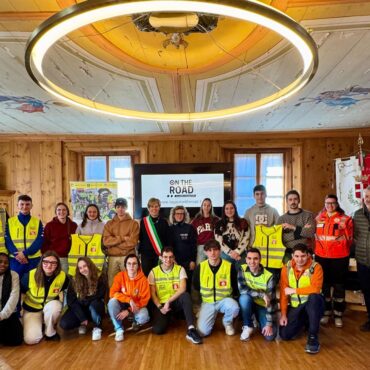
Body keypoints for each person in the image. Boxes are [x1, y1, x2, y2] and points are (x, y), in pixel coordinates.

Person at [149, 247, 202, 344]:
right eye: (165, 257)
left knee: (185, 295)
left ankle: (191, 329)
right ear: (161, 258)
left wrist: (169, 301)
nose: (168, 260)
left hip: (176, 302)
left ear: (174, 258)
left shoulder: (180, 269)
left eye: (170, 257)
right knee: (158, 330)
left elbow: (183, 288)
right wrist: (160, 307)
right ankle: (169, 317)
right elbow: (152, 294)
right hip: (162, 304)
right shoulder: (153, 272)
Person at [314, 194, 353, 328]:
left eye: (332, 203)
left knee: (339, 287)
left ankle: (338, 314)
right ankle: (326, 312)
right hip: (321, 257)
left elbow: (349, 240)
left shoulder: (345, 219)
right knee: (324, 286)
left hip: (339, 258)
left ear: (337, 204)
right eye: (327, 203)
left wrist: (339, 249)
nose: (329, 205)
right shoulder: (318, 218)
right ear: (324, 204)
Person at [279, 244, 324, 354]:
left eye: (303, 256)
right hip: (297, 308)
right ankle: (305, 322)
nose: (300, 259)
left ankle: (313, 338)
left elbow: (316, 289)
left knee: (314, 296)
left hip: (313, 306)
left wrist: (294, 291)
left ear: (308, 255)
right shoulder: (286, 268)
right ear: (292, 256)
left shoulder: (316, 267)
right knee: (284, 335)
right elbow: (283, 293)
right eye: (297, 256)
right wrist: (284, 314)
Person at [193, 239, 239, 337]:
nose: (212, 253)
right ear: (205, 252)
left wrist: (233, 299)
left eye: (215, 250)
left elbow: (235, 286)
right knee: (202, 332)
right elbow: (196, 286)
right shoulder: (200, 267)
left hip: (224, 301)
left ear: (220, 251)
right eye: (209, 250)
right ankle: (206, 314)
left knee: (234, 307)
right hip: (208, 302)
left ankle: (227, 323)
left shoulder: (229, 266)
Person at [22, 251, 68, 344]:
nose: (49, 265)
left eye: (53, 263)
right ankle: (40, 323)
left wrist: (62, 309)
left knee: (55, 307)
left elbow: (64, 292)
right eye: (46, 262)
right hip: (32, 309)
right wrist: (21, 313)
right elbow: (21, 293)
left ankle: (49, 332)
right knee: (31, 340)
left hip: (49, 306)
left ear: (57, 265)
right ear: (41, 262)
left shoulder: (62, 276)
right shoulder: (30, 275)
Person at [60, 257, 106, 341]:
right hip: (80, 308)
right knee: (64, 323)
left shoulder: (100, 277)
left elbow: (100, 295)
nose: (83, 269)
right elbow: (71, 301)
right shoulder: (74, 280)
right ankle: (82, 324)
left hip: (94, 306)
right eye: (80, 268)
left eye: (85, 266)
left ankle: (97, 327)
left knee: (96, 303)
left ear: (90, 265)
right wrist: (82, 317)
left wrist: (84, 300)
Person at [108, 254, 150, 342]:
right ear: (125, 265)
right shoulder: (120, 276)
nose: (131, 266)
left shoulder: (143, 280)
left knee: (144, 316)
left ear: (138, 266)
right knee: (112, 302)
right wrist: (129, 300)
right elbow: (112, 293)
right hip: (122, 303)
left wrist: (129, 310)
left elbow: (144, 301)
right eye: (129, 263)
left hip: (136, 306)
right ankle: (119, 329)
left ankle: (134, 320)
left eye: (134, 264)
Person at [238, 248, 277, 341]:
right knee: (244, 298)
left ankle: (257, 318)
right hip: (249, 303)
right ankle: (248, 325)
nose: (252, 261)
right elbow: (242, 289)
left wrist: (269, 324)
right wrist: (261, 294)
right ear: (246, 259)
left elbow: (270, 301)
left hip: (263, 306)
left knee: (270, 336)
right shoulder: (242, 269)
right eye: (249, 258)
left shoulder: (269, 276)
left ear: (260, 259)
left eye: (255, 258)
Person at [5, 194, 44, 281]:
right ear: (17, 206)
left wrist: (25, 253)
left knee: (33, 285)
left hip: (33, 260)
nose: (24, 207)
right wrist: (18, 255)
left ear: (31, 206)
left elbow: (39, 241)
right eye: (22, 204)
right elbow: (8, 241)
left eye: (27, 204)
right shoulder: (10, 222)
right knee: (14, 285)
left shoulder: (37, 222)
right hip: (15, 260)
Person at [103, 198, 140, 286]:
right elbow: (106, 241)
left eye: (123, 207)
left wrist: (114, 244)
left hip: (127, 257)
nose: (120, 209)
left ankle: (128, 300)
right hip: (112, 258)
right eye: (118, 207)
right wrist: (122, 238)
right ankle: (113, 300)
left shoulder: (133, 223)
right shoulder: (109, 224)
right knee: (112, 283)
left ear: (126, 208)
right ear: (115, 208)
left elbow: (133, 242)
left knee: (129, 282)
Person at [277, 190, 315, 262]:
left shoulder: (308, 215)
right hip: (287, 253)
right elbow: (279, 238)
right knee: (288, 273)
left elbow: (310, 233)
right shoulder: (281, 219)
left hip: (305, 252)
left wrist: (293, 227)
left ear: (299, 200)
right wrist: (302, 231)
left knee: (306, 273)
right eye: (290, 199)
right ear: (287, 201)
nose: (293, 202)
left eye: (295, 199)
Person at [42, 202, 77, 273]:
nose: (61, 212)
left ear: (67, 212)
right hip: (54, 258)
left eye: (64, 210)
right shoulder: (50, 225)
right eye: (59, 210)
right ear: (56, 212)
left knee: (67, 279)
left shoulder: (73, 225)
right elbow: (45, 242)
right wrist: (47, 258)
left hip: (70, 258)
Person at [138, 198, 170, 276]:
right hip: (146, 255)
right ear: (148, 208)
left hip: (159, 255)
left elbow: (167, 239)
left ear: (159, 207)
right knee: (147, 276)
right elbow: (141, 238)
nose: (154, 209)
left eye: (156, 206)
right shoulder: (143, 221)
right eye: (151, 206)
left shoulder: (164, 222)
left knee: (160, 276)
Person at [353, 186, 370, 331]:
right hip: (363, 259)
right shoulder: (358, 215)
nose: (368, 199)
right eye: (366, 196)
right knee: (367, 291)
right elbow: (355, 235)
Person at [169, 205, 197, 292]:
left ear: (185, 215)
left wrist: (193, 261)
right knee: (175, 285)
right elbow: (168, 246)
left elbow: (193, 246)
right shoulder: (170, 229)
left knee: (187, 286)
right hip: (174, 262)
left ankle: (187, 303)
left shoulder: (190, 228)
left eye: (181, 213)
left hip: (188, 263)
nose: (179, 215)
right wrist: (172, 260)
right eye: (177, 213)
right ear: (173, 215)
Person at [214, 200, 249, 267]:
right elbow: (219, 241)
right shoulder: (219, 224)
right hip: (225, 253)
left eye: (231, 208)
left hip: (240, 253)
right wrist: (231, 253)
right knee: (226, 274)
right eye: (227, 209)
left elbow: (246, 238)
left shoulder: (243, 222)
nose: (229, 210)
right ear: (224, 210)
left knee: (241, 273)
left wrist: (237, 252)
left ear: (235, 209)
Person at [0, 253, 23, 346]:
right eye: (0, 261)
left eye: (6, 262)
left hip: (7, 312)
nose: (3, 264)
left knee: (16, 340)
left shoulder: (14, 275)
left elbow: (14, 296)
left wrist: (2, 315)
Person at [191, 198, 220, 264]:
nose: (206, 207)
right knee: (200, 266)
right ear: (202, 206)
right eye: (204, 205)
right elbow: (192, 235)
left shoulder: (216, 220)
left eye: (208, 205)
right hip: (201, 246)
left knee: (214, 264)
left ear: (211, 207)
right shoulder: (196, 220)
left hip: (213, 246)